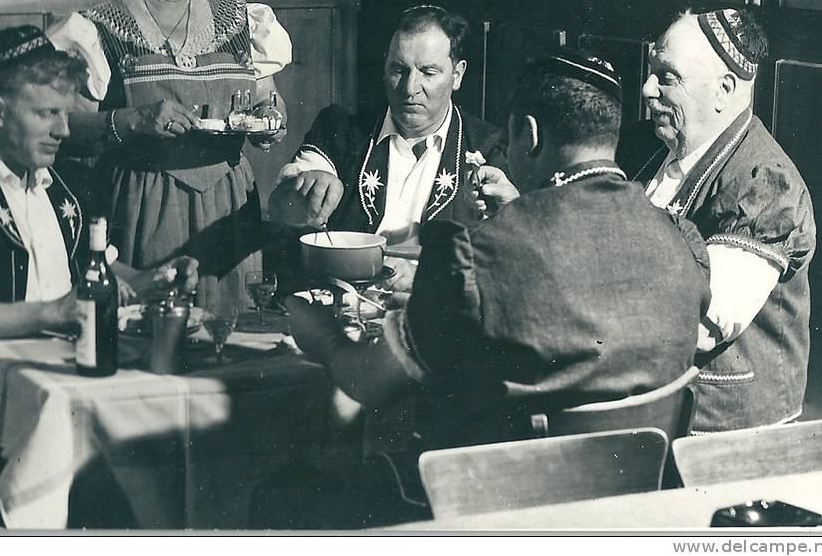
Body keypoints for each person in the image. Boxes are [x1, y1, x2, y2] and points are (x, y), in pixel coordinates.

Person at [263, 50, 709, 528]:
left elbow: (368, 383)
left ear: (528, 134)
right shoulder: (683, 240)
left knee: (279, 493)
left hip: (481, 516)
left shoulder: (473, 256)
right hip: (629, 516)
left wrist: (322, 335)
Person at [0, 25, 198, 526]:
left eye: (66, 113)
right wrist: (51, 312)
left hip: (70, 388)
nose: (64, 130)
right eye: (46, 114)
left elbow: (96, 272)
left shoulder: (64, 182)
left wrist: (157, 278)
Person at [49, 0, 292, 312]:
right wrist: (132, 120)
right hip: (140, 208)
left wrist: (269, 120)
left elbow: (268, 101)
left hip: (230, 208)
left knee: (231, 342)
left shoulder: (242, 20)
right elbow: (62, 124)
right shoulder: (97, 28)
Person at [617, 8, 816, 433]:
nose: (647, 89)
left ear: (724, 89)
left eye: (667, 77)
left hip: (722, 433)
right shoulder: (642, 147)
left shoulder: (766, 184)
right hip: (648, 405)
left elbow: (697, 327)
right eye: (652, 73)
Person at [267, 4, 514, 291]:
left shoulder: (491, 148)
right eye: (399, 70)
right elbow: (287, 201)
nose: (410, 88)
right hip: (342, 303)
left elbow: (505, 257)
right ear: (385, 68)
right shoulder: (341, 130)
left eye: (428, 72)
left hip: (439, 304)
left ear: (457, 75)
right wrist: (300, 193)